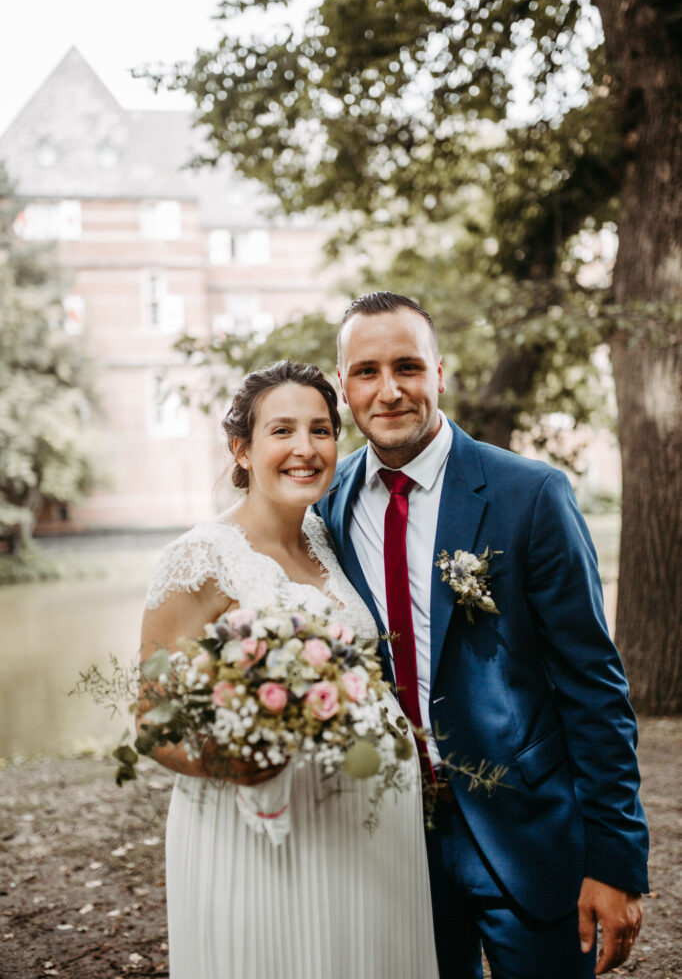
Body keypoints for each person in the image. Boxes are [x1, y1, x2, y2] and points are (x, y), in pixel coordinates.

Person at [315, 292, 649, 979]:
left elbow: (594, 686)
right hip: (393, 846)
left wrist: (615, 859)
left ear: (440, 373)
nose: (390, 390)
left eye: (407, 366)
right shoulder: (328, 503)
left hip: (527, 836)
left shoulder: (530, 495)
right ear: (343, 386)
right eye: (366, 371)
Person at [140, 359, 439, 979]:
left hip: (367, 832)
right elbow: (152, 723)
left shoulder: (326, 539)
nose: (305, 449)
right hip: (261, 834)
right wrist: (241, 760)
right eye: (282, 431)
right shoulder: (199, 557)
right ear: (241, 450)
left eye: (321, 430)